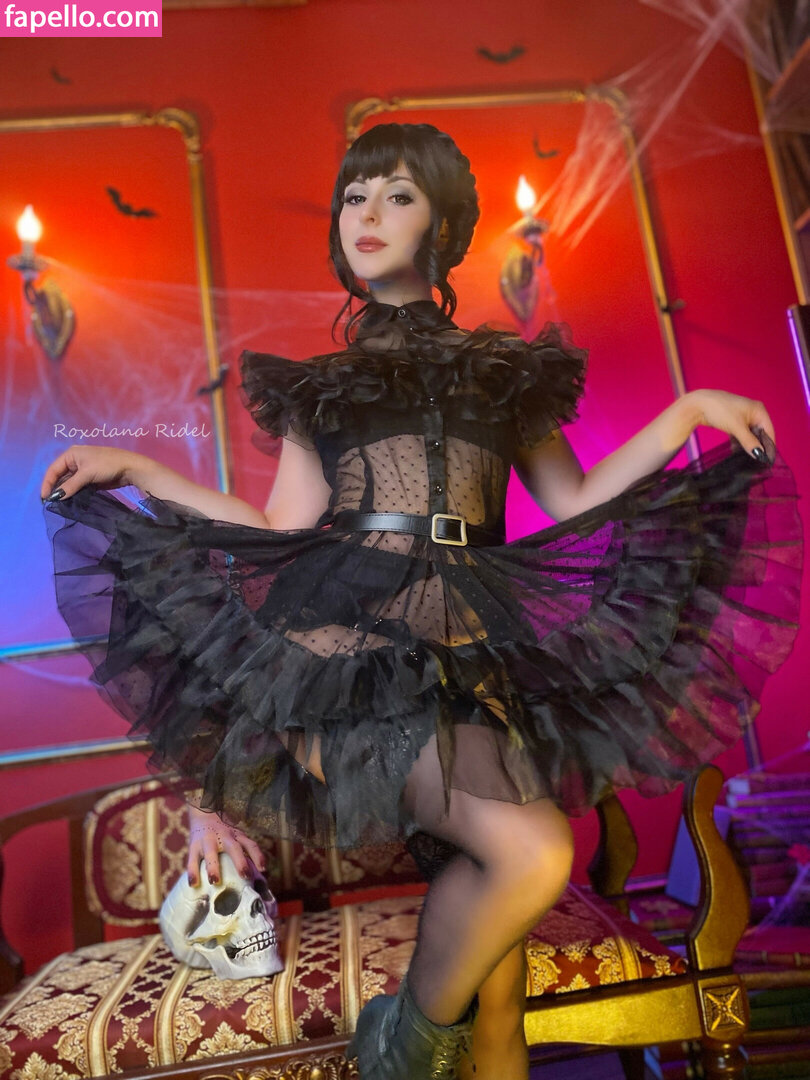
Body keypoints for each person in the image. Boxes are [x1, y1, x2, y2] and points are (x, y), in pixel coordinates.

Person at [41, 123, 802, 1080]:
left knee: (501, 989)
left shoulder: (507, 372)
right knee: (532, 854)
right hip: (348, 658)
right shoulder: (322, 388)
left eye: (396, 194)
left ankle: (410, 1045)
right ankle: (400, 1046)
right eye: (354, 197)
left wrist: (687, 412)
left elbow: (573, 501)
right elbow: (278, 525)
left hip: (475, 656)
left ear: (441, 224)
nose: (366, 214)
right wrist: (141, 467)